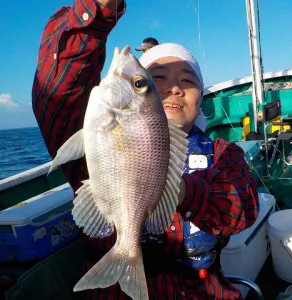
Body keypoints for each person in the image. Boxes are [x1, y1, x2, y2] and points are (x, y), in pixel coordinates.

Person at [31, 0, 259, 299]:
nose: (174, 88)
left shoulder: (223, 153)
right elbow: (57, 91)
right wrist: (97, 9)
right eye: (154, 80)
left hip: (203, 289)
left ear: (200, 98)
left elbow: (242, 207)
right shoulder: (94, 136)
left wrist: (178, 192)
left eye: (187, 81)